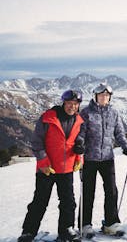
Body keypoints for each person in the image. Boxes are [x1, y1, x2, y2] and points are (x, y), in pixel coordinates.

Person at [18, 90, 85, 242]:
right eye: (69, 103)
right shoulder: (48, 118)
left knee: (68, 202)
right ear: (64, 103)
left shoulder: (79, 121)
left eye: (75, 104)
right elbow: (36, 142)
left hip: (66, 169)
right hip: (47, 169)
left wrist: (79, 156)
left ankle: (66, 230)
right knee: (40, 201)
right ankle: (28, 232)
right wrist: (42, 162)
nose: (72, 107)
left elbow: (78, 142)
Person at [76, 84, 127, 238]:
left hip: (108, 158)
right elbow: (81, 133)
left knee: (111, 191)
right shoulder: (86, 113)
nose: (104, 98)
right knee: (88, 191)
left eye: (107, 96)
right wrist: (79, 144)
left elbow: (120, 134)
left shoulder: (114, 113)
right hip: (89, 158)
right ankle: (85, 224)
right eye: (101, 95)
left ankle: (111, 223)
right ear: (95, 96)